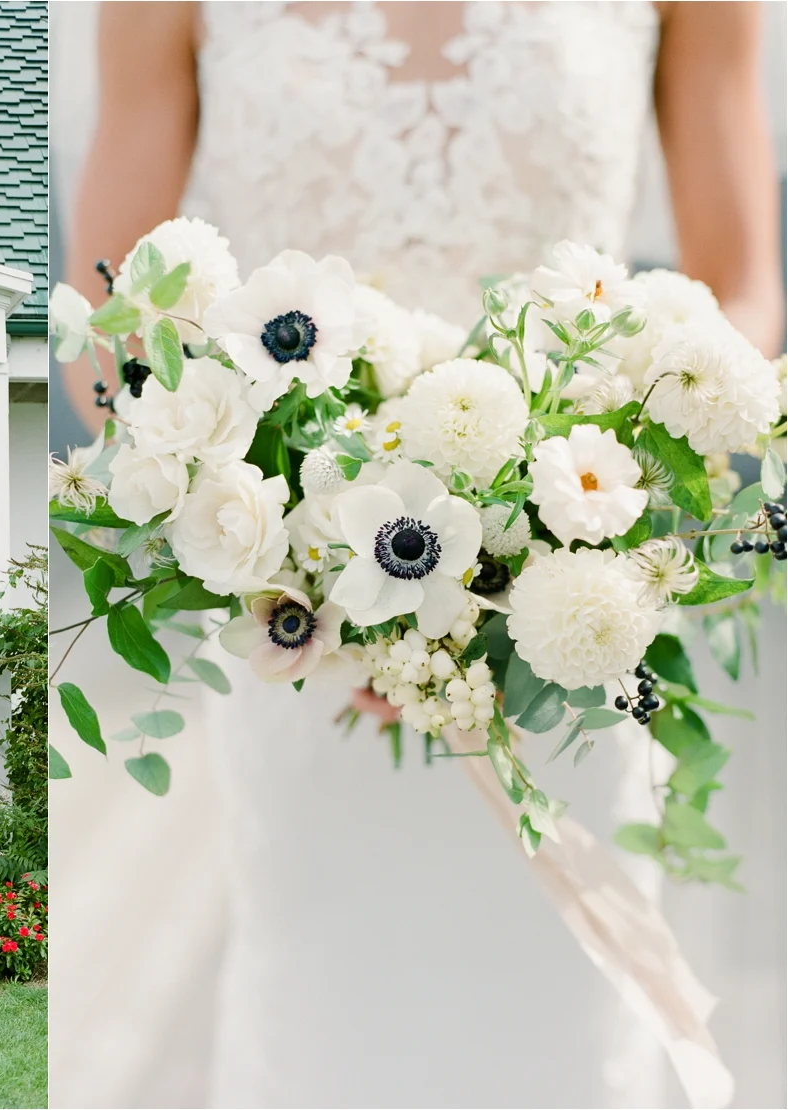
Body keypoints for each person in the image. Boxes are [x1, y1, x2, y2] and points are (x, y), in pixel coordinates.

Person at [54, 3, 783, 1106]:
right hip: (304, 643)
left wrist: (564, 518)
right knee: (325, 1033)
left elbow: (740, 287)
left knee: (567, 1031)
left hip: (565, 628)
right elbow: (108, 330)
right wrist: (303, 562)